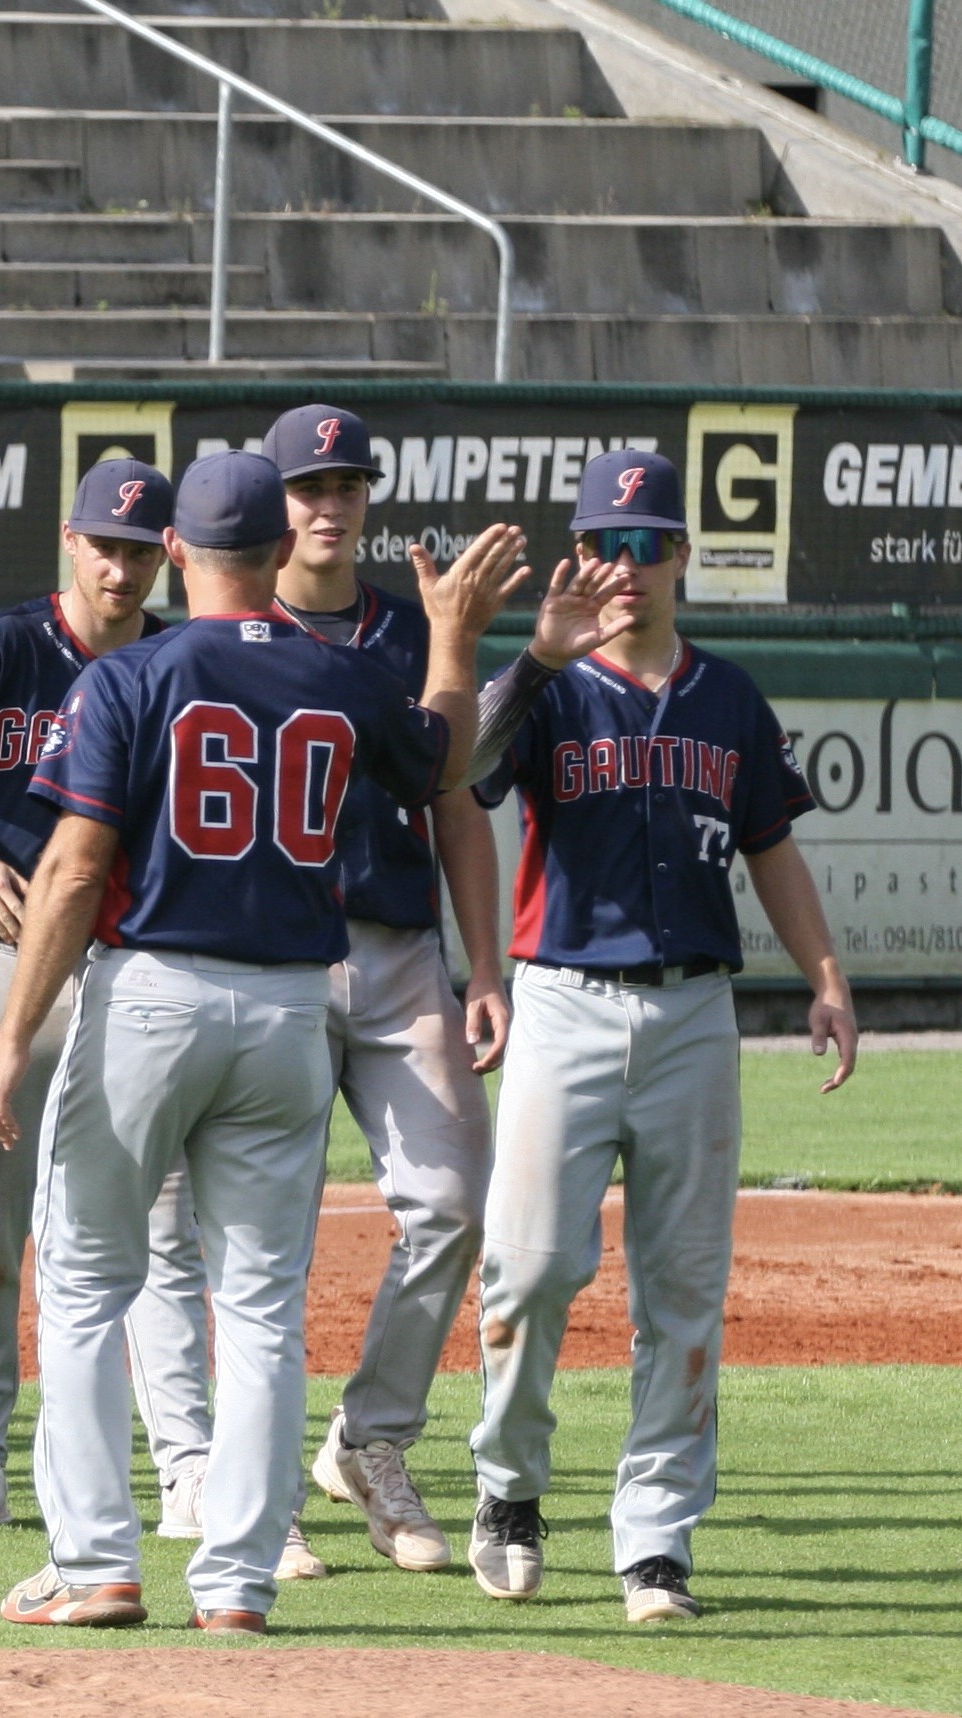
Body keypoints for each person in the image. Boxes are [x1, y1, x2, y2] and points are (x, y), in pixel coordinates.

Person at [0, 451, 520, 1632]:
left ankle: (95, 1563)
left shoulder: (132, 675)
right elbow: (443, 765)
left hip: (155, 995)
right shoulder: (339, 675)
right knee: (263, 1305)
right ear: (280, 554)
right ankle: (234, 1581)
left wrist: (9, 1037)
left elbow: (71, 868)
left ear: (175, 552)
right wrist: (456, 641)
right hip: (287, 1007)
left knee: (82, 1281)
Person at [464, 448, 857, 1625]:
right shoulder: (551, 686)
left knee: (682, 1288)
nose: (625, 567)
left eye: (647, 543)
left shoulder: (729, 698)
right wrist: (536, 656)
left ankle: (656, 1541)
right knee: (528, 1270)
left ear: (684, 554)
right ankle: (509, 1486)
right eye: (604, 544)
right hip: (562, 999)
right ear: (581, 556)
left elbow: (772, 847)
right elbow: (464, 766)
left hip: (693, 1008)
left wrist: (827, 977)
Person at [0, 459, 214, 1533]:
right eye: (104, 543)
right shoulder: (6, 643)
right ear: (70, 541)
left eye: (140, 547)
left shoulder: (175, 659)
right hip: (2, 958)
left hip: (137, 967)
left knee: (161, 1232)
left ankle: (188, 1468)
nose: (119, 564)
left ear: (171, 557)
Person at [259, 404, 514, 1577]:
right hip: (271, 948)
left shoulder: (417, 634)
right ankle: (260, 1490)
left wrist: (487, 963)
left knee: (458, 1196)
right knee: (267, 1233)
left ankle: (371, 1438)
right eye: (309, 483)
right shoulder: (227, 625)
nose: (330, 502)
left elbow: (455, 802)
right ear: (274, 498)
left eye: (348, 482)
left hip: (402, 949)